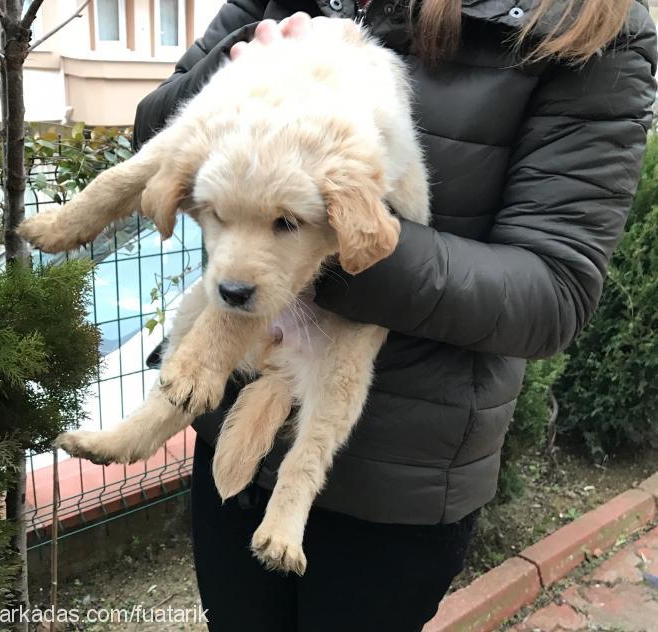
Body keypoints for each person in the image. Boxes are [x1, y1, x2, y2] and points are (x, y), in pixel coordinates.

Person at [133, 2, 657, 630]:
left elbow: (553, 292)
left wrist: (338, 238)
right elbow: (153, 139)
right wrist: (237, 66)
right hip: (235, 432)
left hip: (399, 484)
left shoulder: (591, 25)